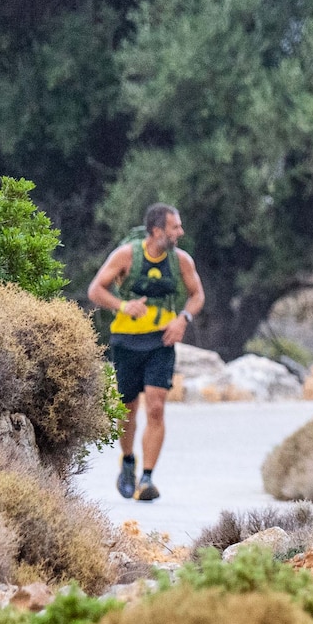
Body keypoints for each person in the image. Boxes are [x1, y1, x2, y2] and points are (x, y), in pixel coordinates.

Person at [87, 204, 204, 502]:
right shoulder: (126, 255)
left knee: (156, 407)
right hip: (125, 341)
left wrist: (183, 320)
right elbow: (95, 290)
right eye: (175, 227)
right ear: (157, 231)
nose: (181, 232)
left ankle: (147, 478)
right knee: (127, 409)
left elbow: (197, 295)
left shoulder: (181, 261)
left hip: (161, 342)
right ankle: (128, 461)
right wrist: (124, 306)